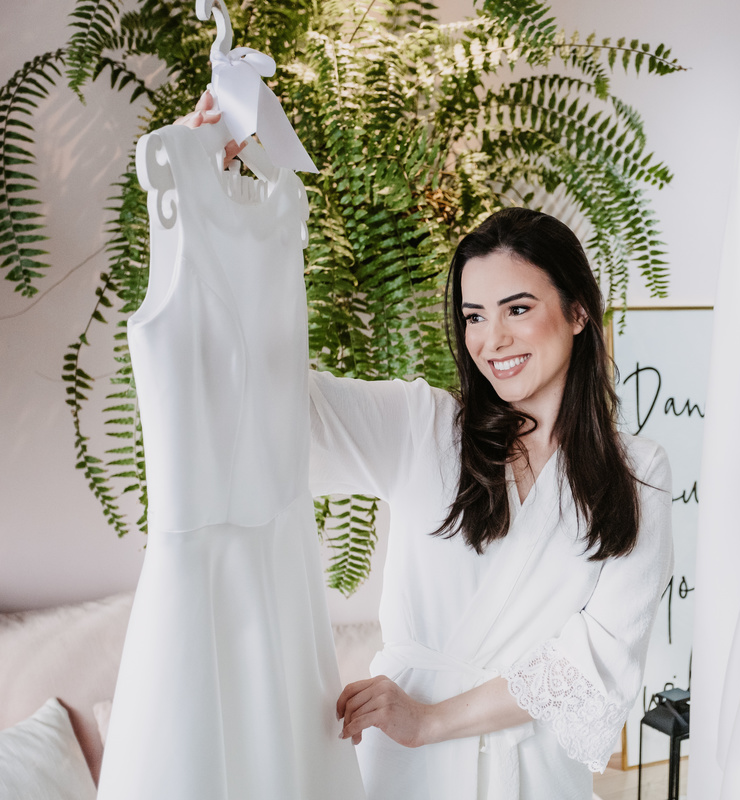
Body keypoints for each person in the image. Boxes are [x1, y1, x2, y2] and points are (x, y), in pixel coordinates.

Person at [177, 95, 675, 800]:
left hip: (534, 779)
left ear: (578, 312)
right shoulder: (421, 426)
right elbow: (264, 401)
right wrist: (214, 211)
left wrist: (431, 719)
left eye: (518, 309)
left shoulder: (638, 473)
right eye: (474, 316)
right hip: (407, 777)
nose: (492, 340)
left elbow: (598, 658)